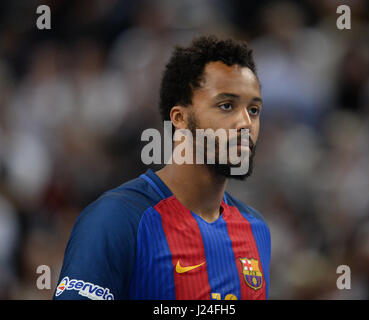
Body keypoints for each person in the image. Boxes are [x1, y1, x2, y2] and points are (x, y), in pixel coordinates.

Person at [54, 35, 271, 300]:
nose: (245, 123)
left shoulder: (255, 228)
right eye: (226, 106)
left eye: (254, 109)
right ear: (180, 118)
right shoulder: (116, 219)